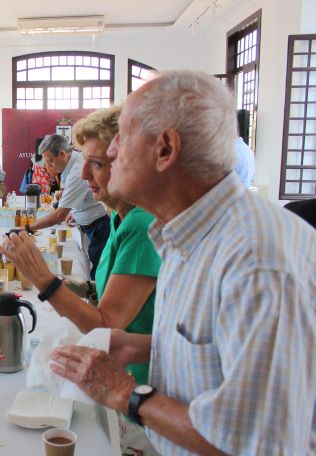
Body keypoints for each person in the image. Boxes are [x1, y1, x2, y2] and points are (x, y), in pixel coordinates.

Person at [48, 71, 316, 455]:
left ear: (165, 149)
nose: (110, 152)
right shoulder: (184, 231)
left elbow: (256, 444)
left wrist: (125, 393)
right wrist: (139, 347)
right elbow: (219, 351)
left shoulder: (256, 261)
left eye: (123, 136)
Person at [1, 106, 161, 455]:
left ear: (131, 162)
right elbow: (106, 294)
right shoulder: (122, 218)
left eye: (98, 164)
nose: (85, 174)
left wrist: (43, 278)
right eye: (84, 161)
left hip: (142, 388)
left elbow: (106, 323)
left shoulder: (140, 225)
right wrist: (71, 286)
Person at [28, 134, 109, 280]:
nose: (50, 166)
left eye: (50, 161)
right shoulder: (74, 162)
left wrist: (28, 228)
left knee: (99, 275)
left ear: (62, 154)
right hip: (90, 222)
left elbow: (59, 215)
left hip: (100, 226)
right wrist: (74, 210)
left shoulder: (78, 171)